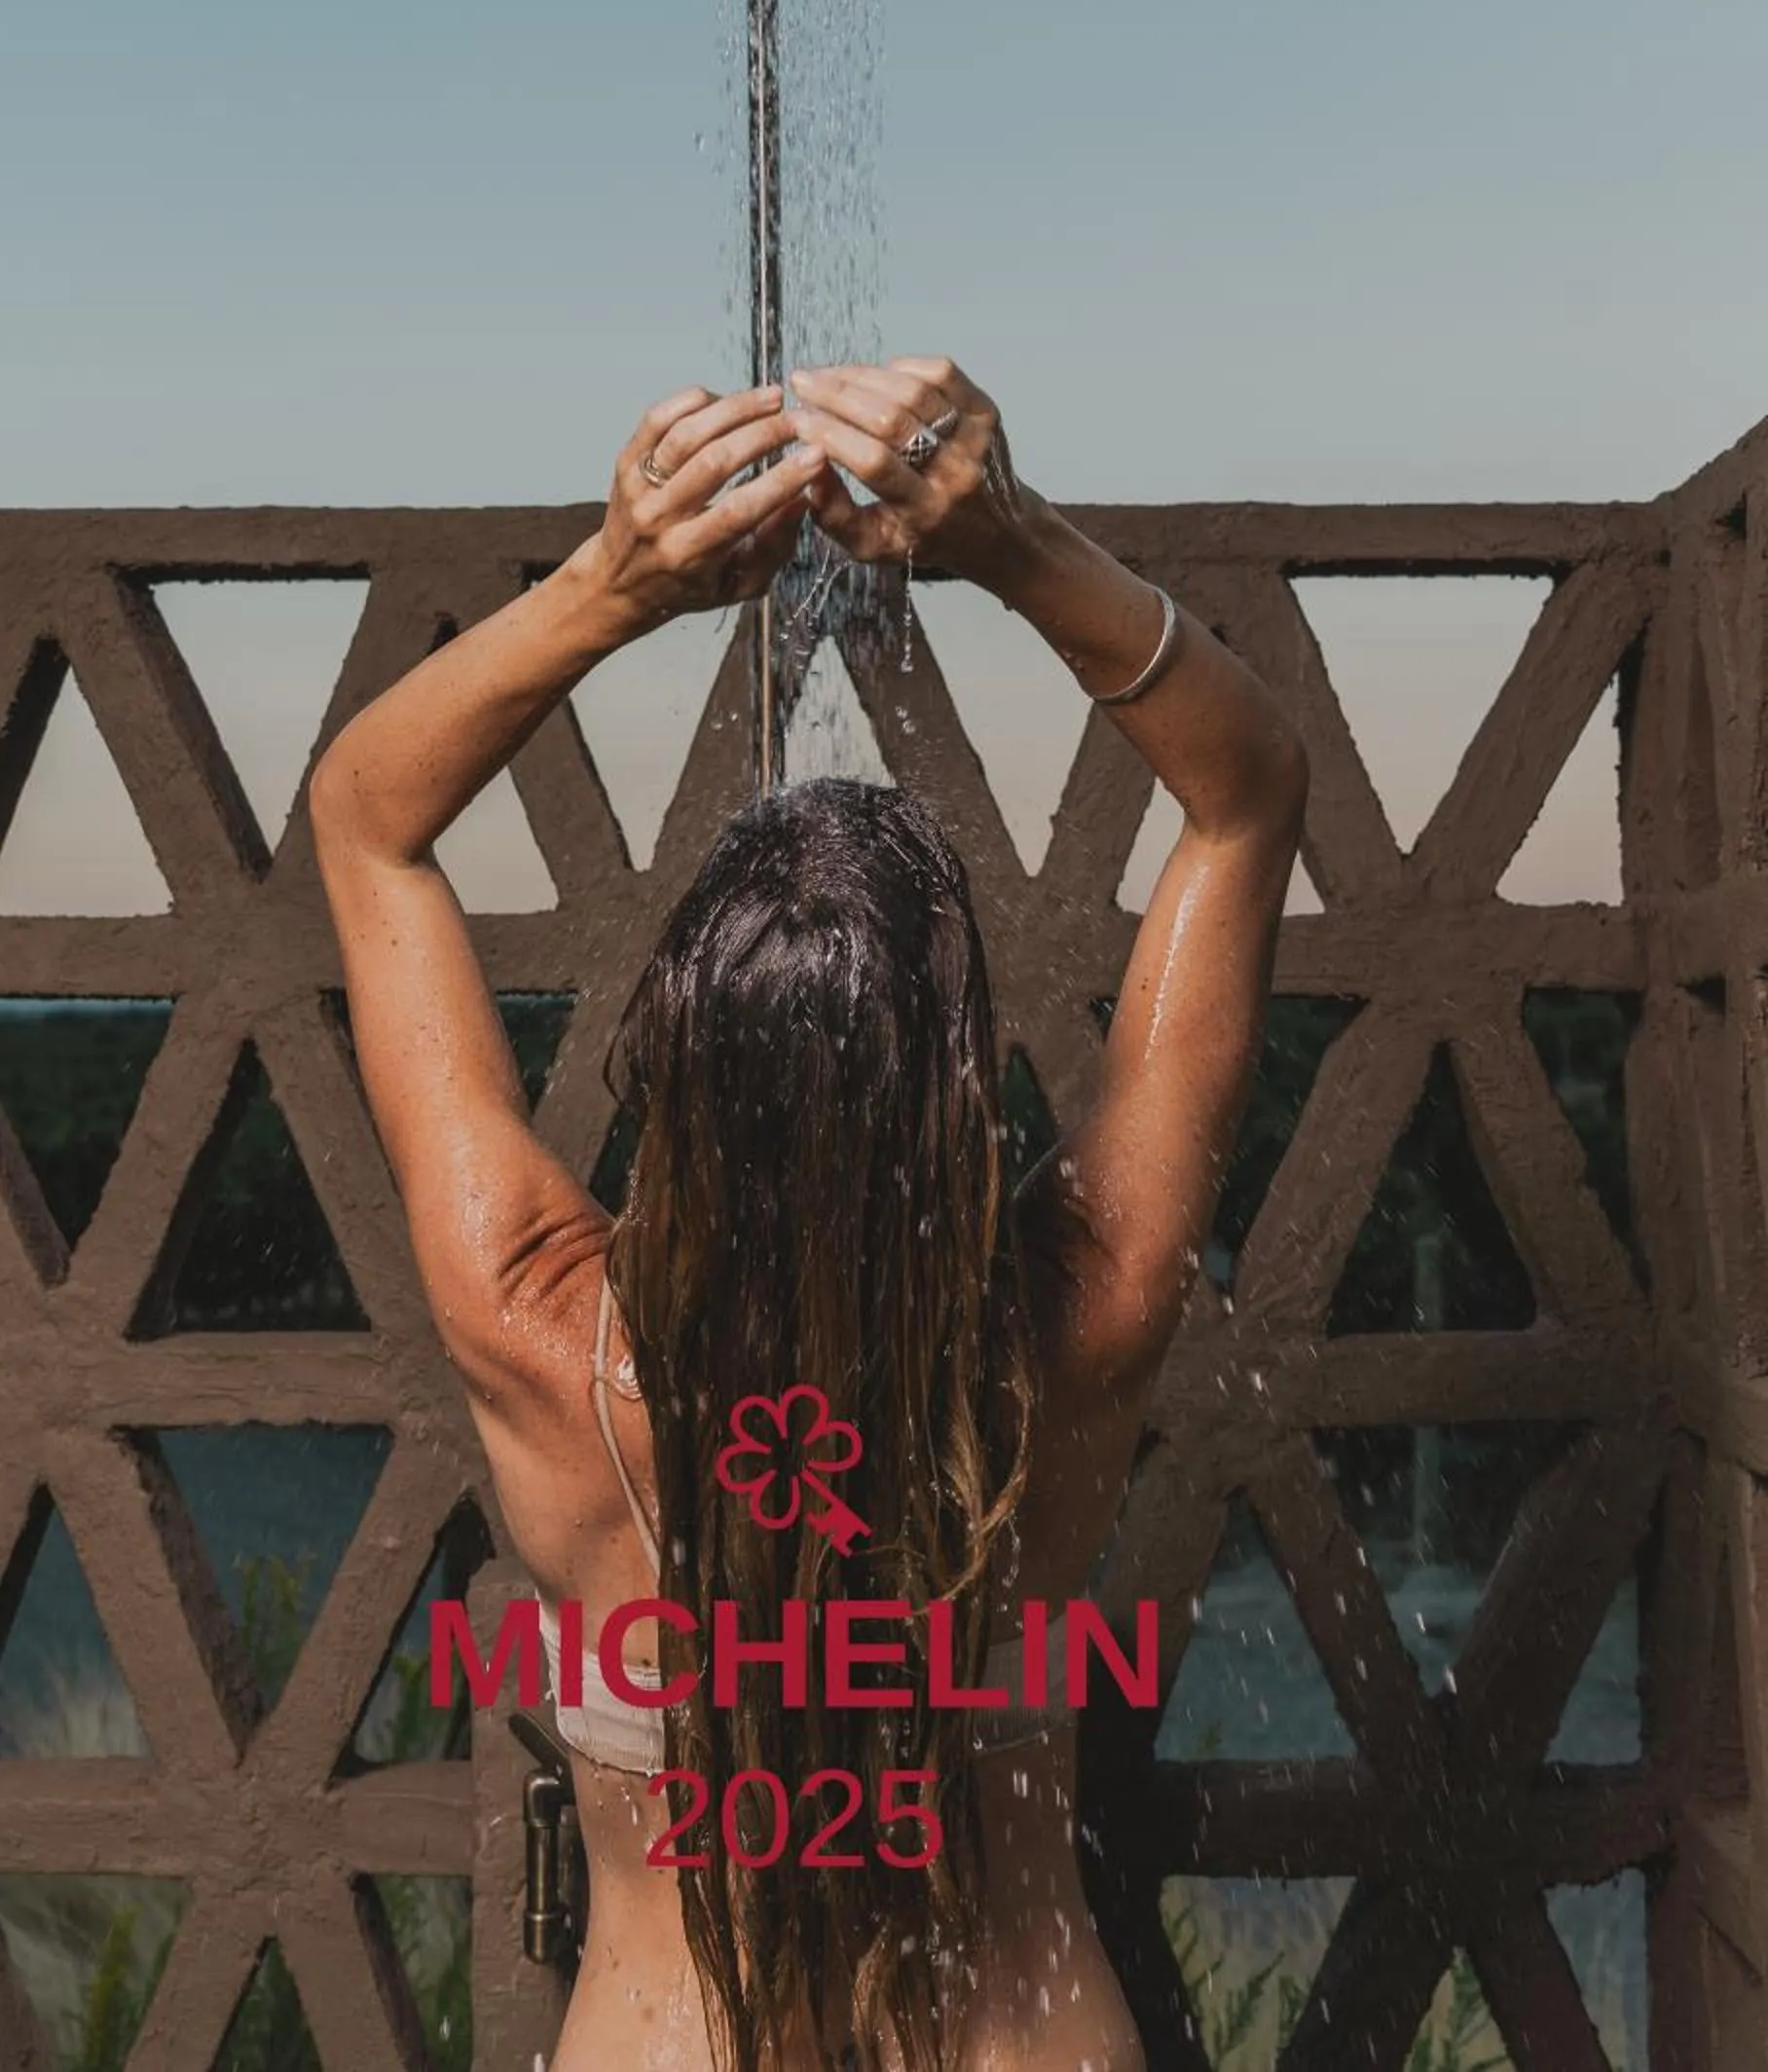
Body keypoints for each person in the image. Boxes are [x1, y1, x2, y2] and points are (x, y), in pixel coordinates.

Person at [309, 357, 1308, 2072]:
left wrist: (610, 586)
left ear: (676, 1077)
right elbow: (1249, 789)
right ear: (958, 1093)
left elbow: (363, 821)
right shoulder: (1084, 1307)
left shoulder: (536, 1330)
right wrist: (1010, 542)